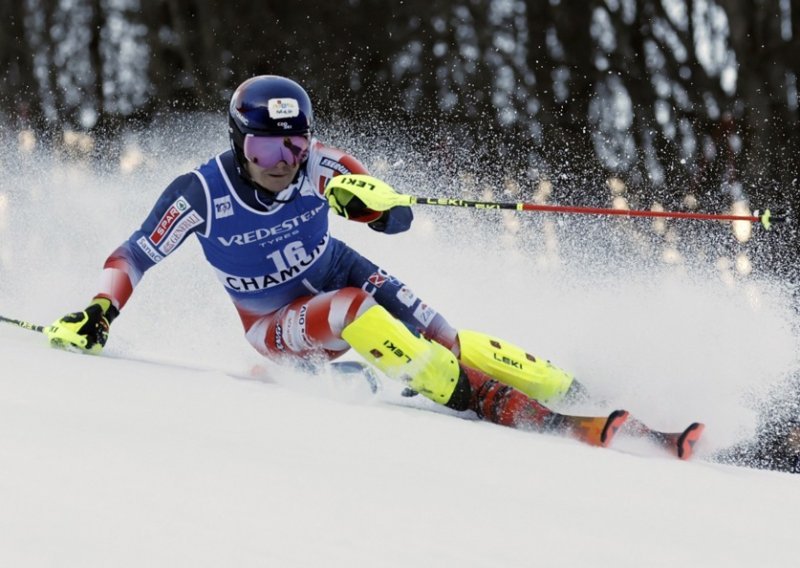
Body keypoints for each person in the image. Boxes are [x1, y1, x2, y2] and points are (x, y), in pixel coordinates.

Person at [45, 75, 623, 446]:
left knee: (449, 337)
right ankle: (475, 399)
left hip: (339, 267)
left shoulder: (321, 165)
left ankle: (576, 393)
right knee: (353, 311)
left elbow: (398, 219)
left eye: (295, 143)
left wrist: (370, 206)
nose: (283, 160)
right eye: (265, 146)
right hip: (275, 324)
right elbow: (135, 254)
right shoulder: (200, 193)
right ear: (238, 142)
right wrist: (100, 311)